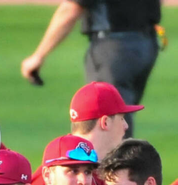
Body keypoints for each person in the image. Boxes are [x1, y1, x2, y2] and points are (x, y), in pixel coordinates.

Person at [20, 0, 160, 135]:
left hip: (113, 48)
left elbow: (70, 10)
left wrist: (39, 55)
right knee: (119, 113)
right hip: (146, 43)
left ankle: (122, 159)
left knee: (108, 119)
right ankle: (124, 156)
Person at [23, 83, 137, 185]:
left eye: (87, 172)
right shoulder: (52, 179)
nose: (126, 126)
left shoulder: (106, 172)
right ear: (105, 122)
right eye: (122, 118)